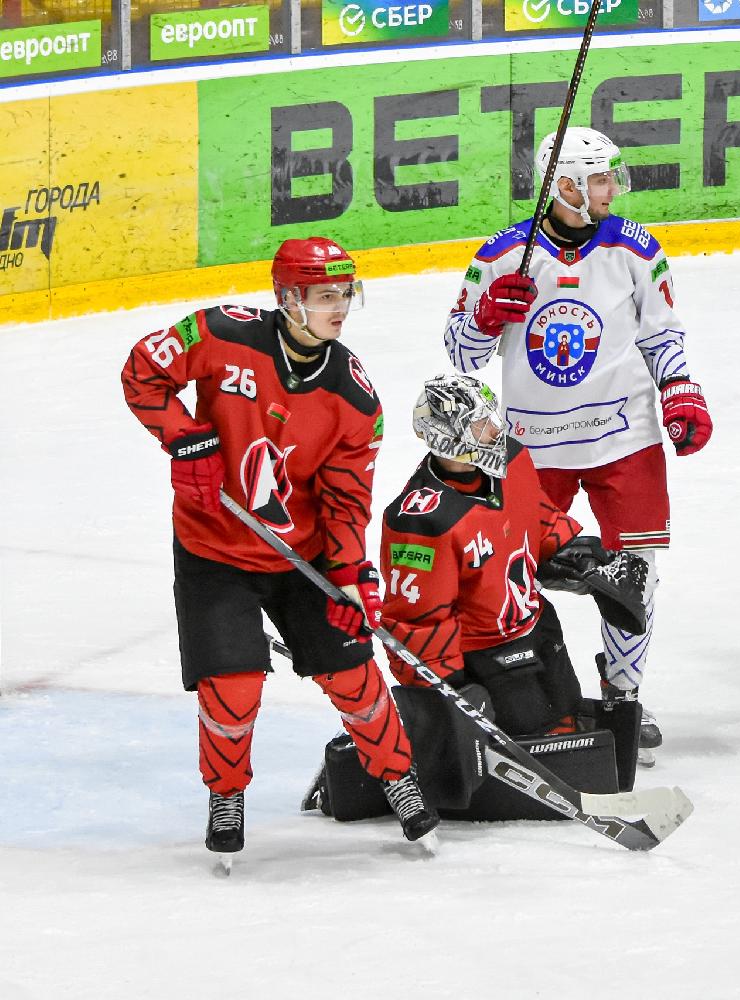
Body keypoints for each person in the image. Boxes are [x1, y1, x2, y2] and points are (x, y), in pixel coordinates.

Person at [121, 237, 438, 865]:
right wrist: (183, 438)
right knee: (232, 687)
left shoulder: (354, 398)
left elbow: (346, 499)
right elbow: (142, 371)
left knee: (354, 676)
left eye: (345, 293)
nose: (339, 307)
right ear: (288, 298)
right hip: (213, 547)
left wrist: (351, 575)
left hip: (304, 556)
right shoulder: (220, 332)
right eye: (325, 295)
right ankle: (226, 793)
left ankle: (397, 777)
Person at [443, 127, 711, 767]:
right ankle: (531, 695)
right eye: (599, 179)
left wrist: (680, 390)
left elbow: (662, 334)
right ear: (563, 185)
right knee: (513, 574)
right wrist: (486, 318)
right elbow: (461, 354)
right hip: (533, 447)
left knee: (635, 573)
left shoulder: (635, 247)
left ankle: (623, 697)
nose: (612, 188)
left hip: (625, 435)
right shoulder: (503, 255)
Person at [374, 373, 651, 792]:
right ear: (448, 438)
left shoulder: (511, 460)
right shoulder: (422, 521)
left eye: (492, 417)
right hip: (485, 655)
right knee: (534, 735)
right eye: (480, 424)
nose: (495, 429)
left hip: (537, 624)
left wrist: (576, 554)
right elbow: (417, 620)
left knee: (566, 712)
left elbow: (535, 514)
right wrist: (447, 691)